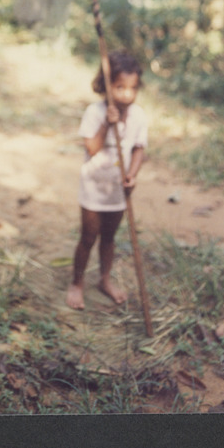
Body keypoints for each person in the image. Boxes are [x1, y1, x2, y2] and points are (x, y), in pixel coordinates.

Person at [66, 50, 148, 310]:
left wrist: (132, 174)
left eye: (132, 88)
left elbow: (139, 148)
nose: (126, 95)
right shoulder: (95, 112)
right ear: (106, 85)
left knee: (109, 237)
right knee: (88, 236)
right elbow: (92, 148)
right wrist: (107, 123)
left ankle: (104, 280)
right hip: (94, 185)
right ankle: (77, 283)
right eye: (119, 87)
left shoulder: (138, 116)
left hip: (118, 188)